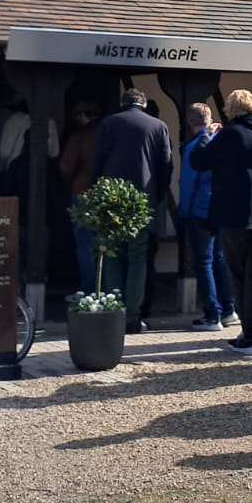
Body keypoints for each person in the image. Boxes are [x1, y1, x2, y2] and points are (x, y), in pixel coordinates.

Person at [187, 89, 252, 357]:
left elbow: (199, 161)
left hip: (235, 213)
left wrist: (206, 135)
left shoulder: (230, 135)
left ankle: (250, 333)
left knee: (239, 274)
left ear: (231, 110)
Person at [90, 89, 172, 334]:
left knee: (112, 255)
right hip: (143, 200)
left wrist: (98, 195)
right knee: (138, 257)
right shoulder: (158, 126)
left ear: (123, 103)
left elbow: (96, 163)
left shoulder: (108, 124)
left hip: (111, 198)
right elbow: (166, 166)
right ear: (143, 104)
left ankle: (114, 311)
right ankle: (133, 318)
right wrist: (156, 195)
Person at [178, 103, 237, 332]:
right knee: (219, 260)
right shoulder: (222, 143)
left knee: (203, 262)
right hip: (221, 209)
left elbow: (187, 184)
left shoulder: (195, 147)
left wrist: (183, 212)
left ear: (190, 122)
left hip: (200, 210)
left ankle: (212, 315)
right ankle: (228, 308)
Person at [58, 99, 103, 292]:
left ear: (83, 115)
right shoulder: (108, 133)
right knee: (106, 243)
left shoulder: (80, 135)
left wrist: (69, 182)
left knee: (85, 243)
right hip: (108, 193)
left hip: (82, 191)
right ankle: (107, 287)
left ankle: (89, 288)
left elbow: (66, 166)